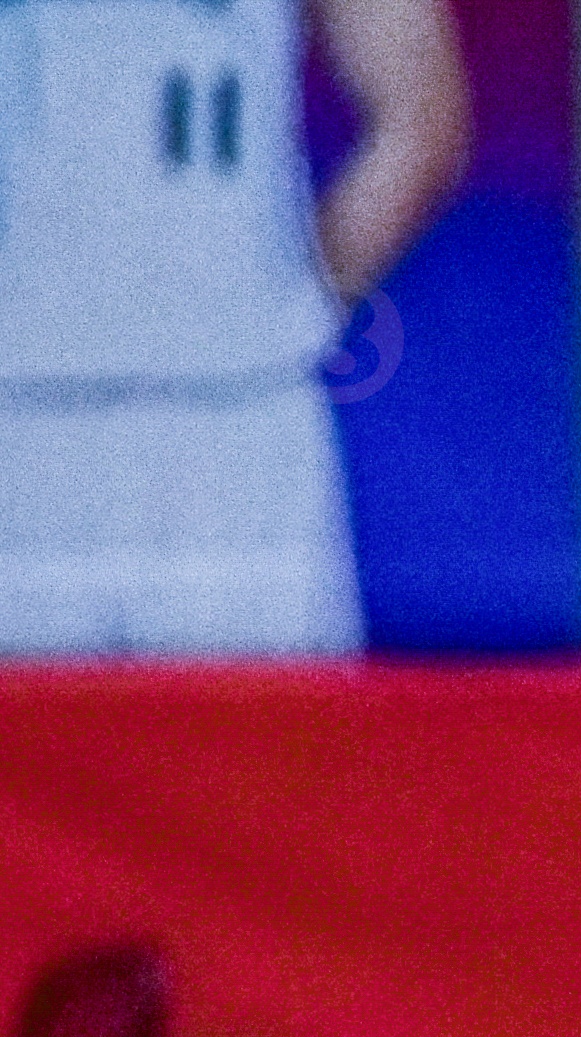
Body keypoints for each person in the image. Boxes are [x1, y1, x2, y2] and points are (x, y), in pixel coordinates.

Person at [0, 0, 469, 655]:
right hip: (20, 417)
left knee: (260, 722)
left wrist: (286, 307)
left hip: (237, 418)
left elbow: (417, 121)